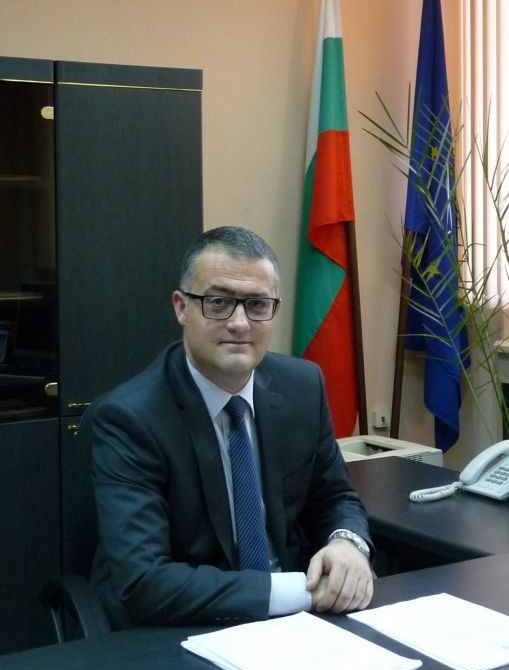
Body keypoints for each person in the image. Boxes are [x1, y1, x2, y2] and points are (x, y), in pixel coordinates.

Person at [88, 226, 374, 628]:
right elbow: (145, 581)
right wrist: (299, 591)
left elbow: (335, 497)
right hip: (185, 624)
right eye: (218, 302)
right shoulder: (130, 418)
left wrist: (347, 544)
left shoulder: (303, 387)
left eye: (257, 304)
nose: (240, 323)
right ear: (181, 307)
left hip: (297, 625)